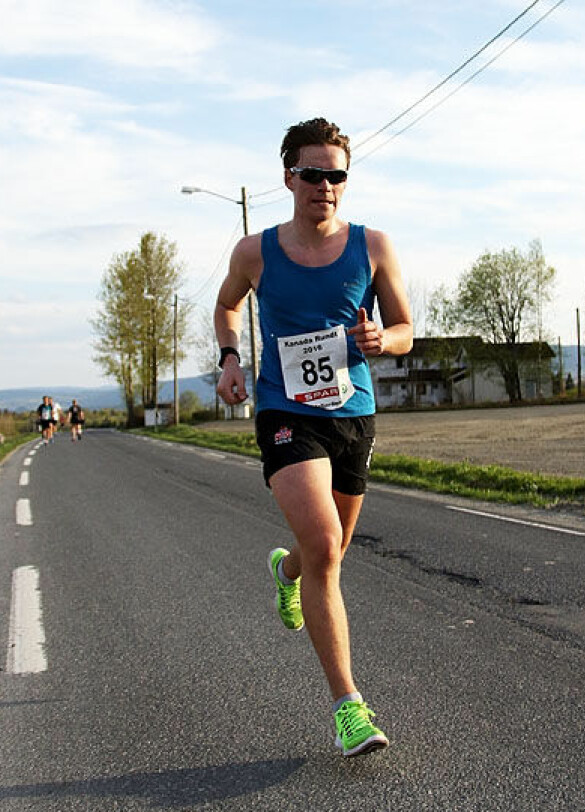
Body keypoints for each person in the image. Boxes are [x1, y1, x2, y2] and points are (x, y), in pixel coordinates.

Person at [214, 117, 413, 757]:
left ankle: (287, 572)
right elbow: (226, 306)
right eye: (312, 173)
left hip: (353, 413)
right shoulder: (255, 252)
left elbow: (406, 326)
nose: (324, 185)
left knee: (328, 551)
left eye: (336, 175)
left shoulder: (374, 246)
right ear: (288, 178)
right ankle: (348, 707)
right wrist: (231, 359)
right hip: (284, 411)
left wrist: (385, 340)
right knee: (326, 544)